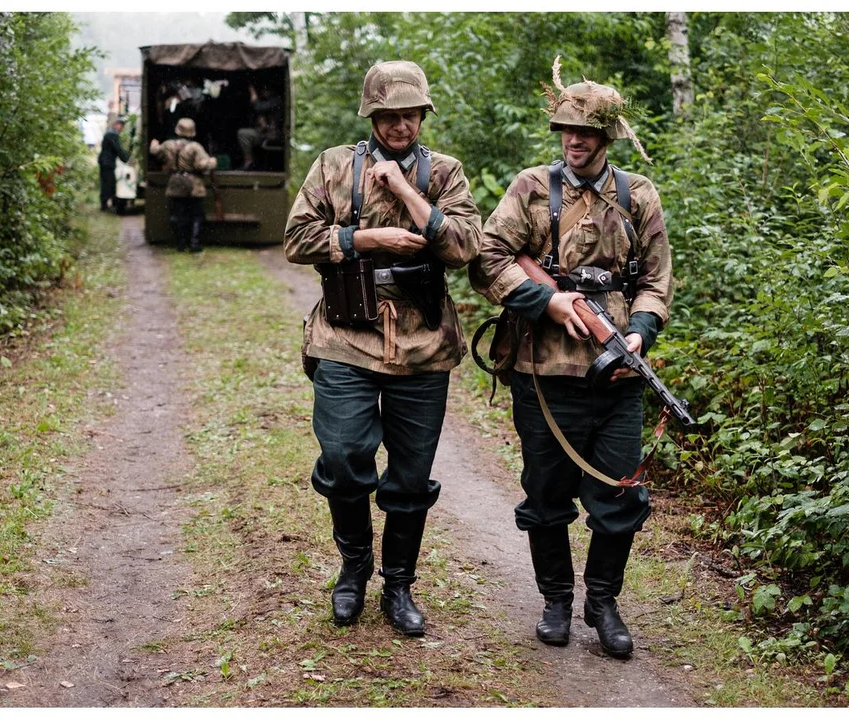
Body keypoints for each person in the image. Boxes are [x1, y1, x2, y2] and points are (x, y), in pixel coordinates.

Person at [468, 60, 674, 659]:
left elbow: (657, 280)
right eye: (566, 130)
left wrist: (638, 332)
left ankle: (602, 602)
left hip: (615, 373)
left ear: (607, 139)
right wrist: (547, 301)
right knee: (547, 492)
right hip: (542, 371)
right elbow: (489, 256)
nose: (574, 141)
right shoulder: (531, 187)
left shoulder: (638, 196)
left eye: (586, 133)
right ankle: (556, 598)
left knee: (619, 495)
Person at [283, 61, 482, 637]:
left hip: (423, 341)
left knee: (412, 474)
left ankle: (398, 584)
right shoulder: (335, 166)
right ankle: (353, 569)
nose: (400, 125)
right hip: (346, 332)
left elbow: (466, 246)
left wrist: (404, 191)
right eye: (389, 115)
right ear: (372, 115)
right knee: (344, 456)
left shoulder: (444, 173)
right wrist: (361, 238)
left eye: (409, 114)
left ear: (423, 115)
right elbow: (297, 239)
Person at [149, 118, 217, 252]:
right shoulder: (195, 147)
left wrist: (154, 144)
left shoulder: (168, 144)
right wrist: (212, 161)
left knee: (177, 214)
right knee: (197, 215)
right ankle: (194, 244)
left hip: (175, 181)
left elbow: (155, 151)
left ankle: (180, 244)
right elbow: (201, 165)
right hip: (193, 183)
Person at [237, 83, 283, 171]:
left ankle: (248, 161)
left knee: (242, 134)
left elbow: (258, 107)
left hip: (272, 135)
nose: (263, 92)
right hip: (265, 133)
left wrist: (253, 95)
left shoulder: (276, 101)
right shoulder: (269, 101)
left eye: (265, 90)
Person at [98, 119, 129, 212]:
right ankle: (105, 205)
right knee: (109, 183)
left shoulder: (109, 133)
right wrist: (126, 159)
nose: (122, 129)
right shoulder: (112, 134)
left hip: (105, 161)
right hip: (107, 162)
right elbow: (117, 149)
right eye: (121, 126)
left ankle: (105, 204)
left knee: (106, 183)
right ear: (117, 125)